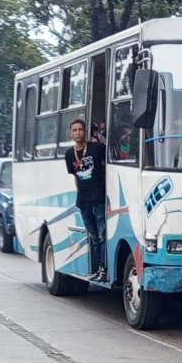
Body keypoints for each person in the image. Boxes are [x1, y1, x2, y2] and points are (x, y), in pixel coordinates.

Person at [64, 119, 107, 282]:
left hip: (99, 198)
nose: (78, 133)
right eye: (74, 130)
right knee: (94, 236)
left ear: (85, 131)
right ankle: (98, 269)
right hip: (83, 201)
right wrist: (81, 193)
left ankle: (103, 269)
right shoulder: (69, 154)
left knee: (102, 235)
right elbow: (76, 176)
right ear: (70, 133)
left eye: (80, 130)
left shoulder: (96, 149)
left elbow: (111, 161)